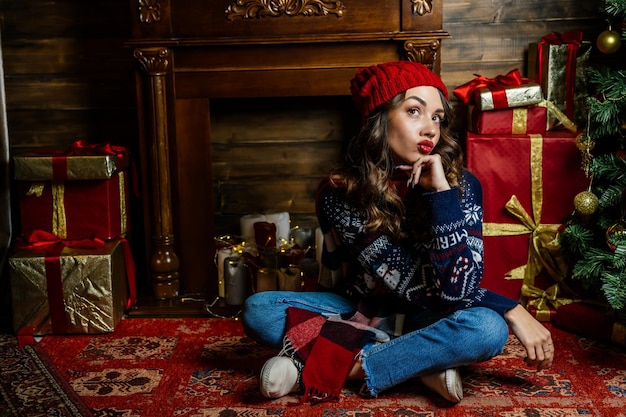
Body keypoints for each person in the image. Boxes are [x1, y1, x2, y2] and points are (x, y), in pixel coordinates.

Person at [241, 61, 554, 404]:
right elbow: (415, 284)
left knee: (486, 330)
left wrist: (442, 197)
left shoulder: (462, 186)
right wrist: (510, 307)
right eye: (414, 111)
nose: (430, 129)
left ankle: (332, 363)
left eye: (437, 117)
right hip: (358, 307)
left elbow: (457, 290)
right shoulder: (342, 194)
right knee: (260, 310)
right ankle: (419, 363)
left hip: (428, 314)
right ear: (379, 119)